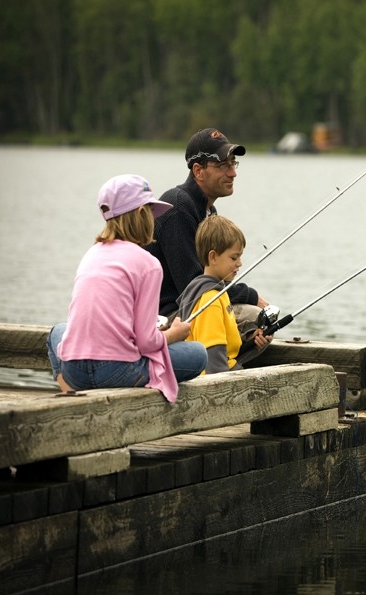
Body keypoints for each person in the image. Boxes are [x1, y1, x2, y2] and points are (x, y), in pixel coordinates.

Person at [46, 174, 208, 403]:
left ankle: (70, 392)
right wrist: (174, 334)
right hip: (118, 372)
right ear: (142, 214)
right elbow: (146, 342)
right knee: (198, 354)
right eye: (152, 213)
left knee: (58, 330)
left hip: (75, 370)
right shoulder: (148, 263)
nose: (155, 220)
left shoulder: (91, 253)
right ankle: (82, 397)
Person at [143, 128, 270, 319]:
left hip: (194, 306)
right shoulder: (178, 206)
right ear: (198, 171)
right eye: (223, 165)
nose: (233, 173)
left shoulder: (208, 211)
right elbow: (192, 285)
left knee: (261, 320)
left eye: (233, 163)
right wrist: (249, 296)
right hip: (164, 316)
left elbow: (211, 277)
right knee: (254, 317)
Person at [177, 215, 273, 373]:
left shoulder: (217, 291)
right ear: (213, 257)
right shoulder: (210, 300)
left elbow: (227, 347)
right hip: (214, 380)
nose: (239, 263)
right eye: (234, 257)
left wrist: (251, 340)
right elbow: (213, 361)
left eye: (240, 257)